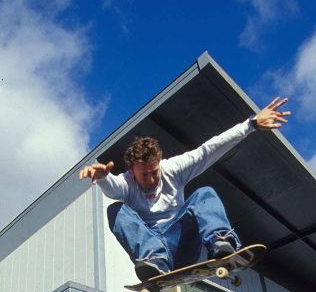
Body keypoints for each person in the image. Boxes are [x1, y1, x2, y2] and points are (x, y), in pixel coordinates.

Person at [79, 97, 291, 281]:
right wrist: (103, 178)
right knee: (114, 210)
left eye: (154, 171)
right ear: (132, 171)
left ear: (159, 163)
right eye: (144, 175)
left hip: (182, 242)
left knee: (203, 193)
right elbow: (113, 189)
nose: (152, 179)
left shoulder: (173, 169)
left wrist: (251, 124)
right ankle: (155, 261)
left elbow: (208, 150)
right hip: (153, 250)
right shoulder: (126, 183)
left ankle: (221, 241)